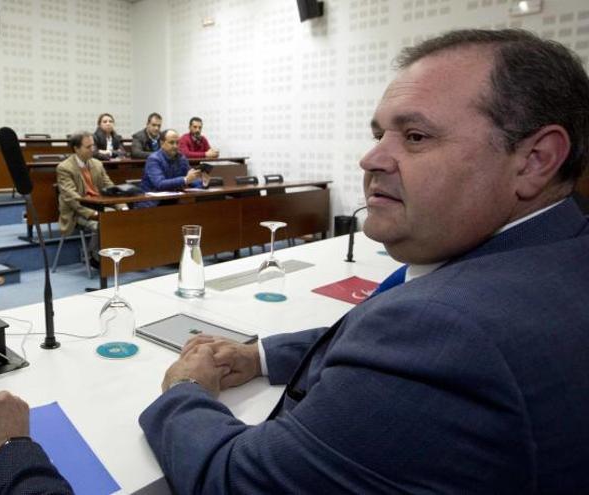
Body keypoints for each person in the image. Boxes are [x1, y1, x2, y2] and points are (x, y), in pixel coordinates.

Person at [137, 29, 589, 493]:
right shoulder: (556, 250)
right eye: (379, 135)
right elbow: (382, 344)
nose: (370, 158)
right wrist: (263, 355)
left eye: (415, 136)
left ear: (535, 159)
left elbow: (233, 480)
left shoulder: (448, 330)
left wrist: (184, 392)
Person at [57, 132, 126, 263]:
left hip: (99, 205)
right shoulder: (64, 168)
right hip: (77, 211)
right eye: (88, 147)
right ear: (76, 148)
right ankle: (94, 257)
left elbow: (110, 187)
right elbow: (72, 198)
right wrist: (92, 213)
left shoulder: (97, 164)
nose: (92, 150)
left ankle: (115, 256)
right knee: (103, 223)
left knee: (123, 217)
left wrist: (122, 206)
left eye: (93, 146)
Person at [138, 129, 209, 207]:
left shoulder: (181, 158)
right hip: (151, 203)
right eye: (171, 143)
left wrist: (203, 182)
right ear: (162, 143)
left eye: (177, 143)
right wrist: (185, 180)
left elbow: (191, 180)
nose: (175, 146)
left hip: (173, 201)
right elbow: (160, 184)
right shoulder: (154, 159)